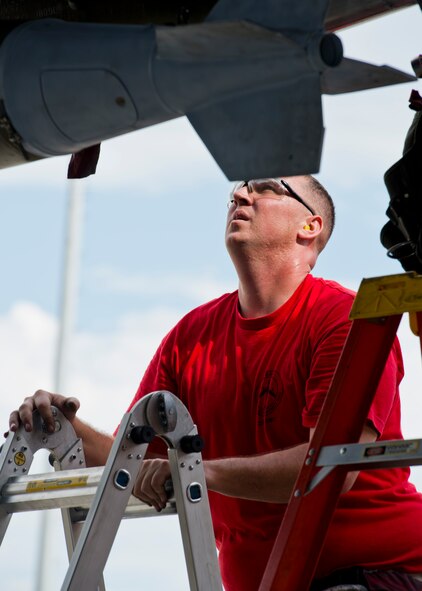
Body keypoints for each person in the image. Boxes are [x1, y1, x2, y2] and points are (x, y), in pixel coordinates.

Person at [9, 176, 422, 591]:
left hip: (380, 573)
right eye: (239, 190)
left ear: (309, 227)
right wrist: (63, 426)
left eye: (267, 188)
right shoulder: (192, 337)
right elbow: (130, 464)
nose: (240, 195)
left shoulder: (341, 318)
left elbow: (334, 467)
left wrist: (198, 471)